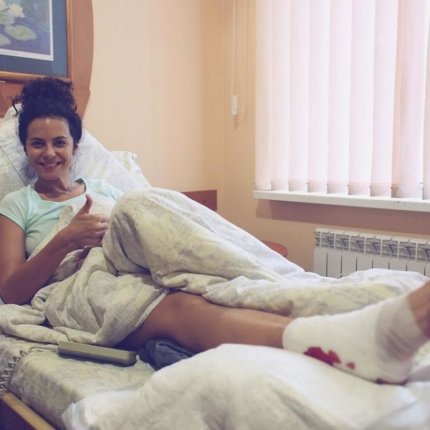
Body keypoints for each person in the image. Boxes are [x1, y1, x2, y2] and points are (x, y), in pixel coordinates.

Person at [0, 77, 428, 385]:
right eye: (38, 143)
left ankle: (306, 290)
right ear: (25, 148)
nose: (49, 153)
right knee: (184, 307)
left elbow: (155, 235)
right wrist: (66, 239)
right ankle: (337, 339)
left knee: (149, 212)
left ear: (75, 146)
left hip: (130, 263)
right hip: (77, 287)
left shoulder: (107, 189)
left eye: (59, 142)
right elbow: (10, 292)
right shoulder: (18, 204)